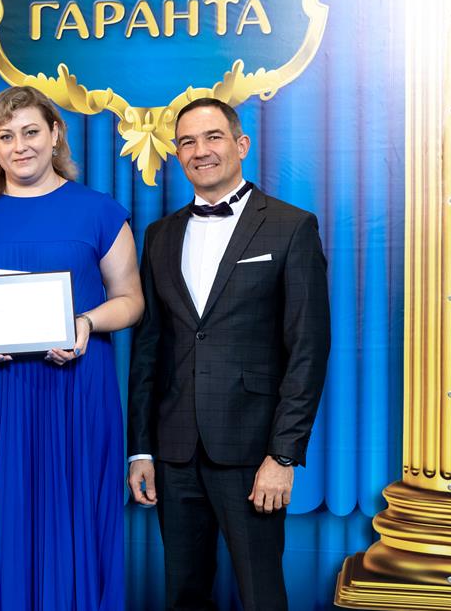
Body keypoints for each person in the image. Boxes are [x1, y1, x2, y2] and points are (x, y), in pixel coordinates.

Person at [0, 85, 144, 610]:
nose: (20, 146)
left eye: (30, 132)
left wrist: (87, 322)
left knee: (71, 520)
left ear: (55, 134)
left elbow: (131, 300)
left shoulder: (100, 212)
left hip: (74, 390)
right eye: (5, 136)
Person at [127, 98, 330, 610]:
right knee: (183, 594)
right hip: (174, 451)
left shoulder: (290, 226)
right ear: (177, 154)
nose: (201, 151)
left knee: (262, 595)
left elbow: (307, 351)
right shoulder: (159, 235)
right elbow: (148, 349)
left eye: (213, 137)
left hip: (252, 451)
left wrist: (282, 456)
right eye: (187, 142)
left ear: (241, 145)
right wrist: (141, 449)